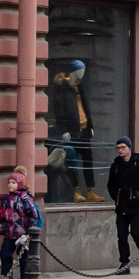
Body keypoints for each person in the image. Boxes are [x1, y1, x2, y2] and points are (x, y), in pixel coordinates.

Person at [48, 60, 101, 202]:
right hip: (72, 131)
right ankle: (76, 191)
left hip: (84, 130)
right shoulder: (62, 87)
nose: (81, 76)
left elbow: (85, 106)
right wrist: (63, 130)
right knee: (73, 162)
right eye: (79, 73)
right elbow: (59, 110)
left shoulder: (79, 85)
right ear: (72, 72)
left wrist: (90, 125)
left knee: (88, 161)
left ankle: (91, 191)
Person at [107, 137, 139, 274]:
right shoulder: (115, 165)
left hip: (137, 207)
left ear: (129, 148)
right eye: (118, 148)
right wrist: (116, 197)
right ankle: (124, 263)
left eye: (123, 147)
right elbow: (111, 185)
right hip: (122, 206)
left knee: (136, 232)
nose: (120, 150)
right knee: (121, 236)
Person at [0, 169, 42, 279]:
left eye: (13, 182)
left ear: (20, 184)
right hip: (9, 233)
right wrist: (1, 231)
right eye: (9, 182)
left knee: (23, 257)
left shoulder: (25, 198)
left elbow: (33, 215)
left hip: (22, 234)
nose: (10, 184)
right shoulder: (7, 198)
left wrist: (29, 232)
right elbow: (2, 216)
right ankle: (7, 278)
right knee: (4, 254)